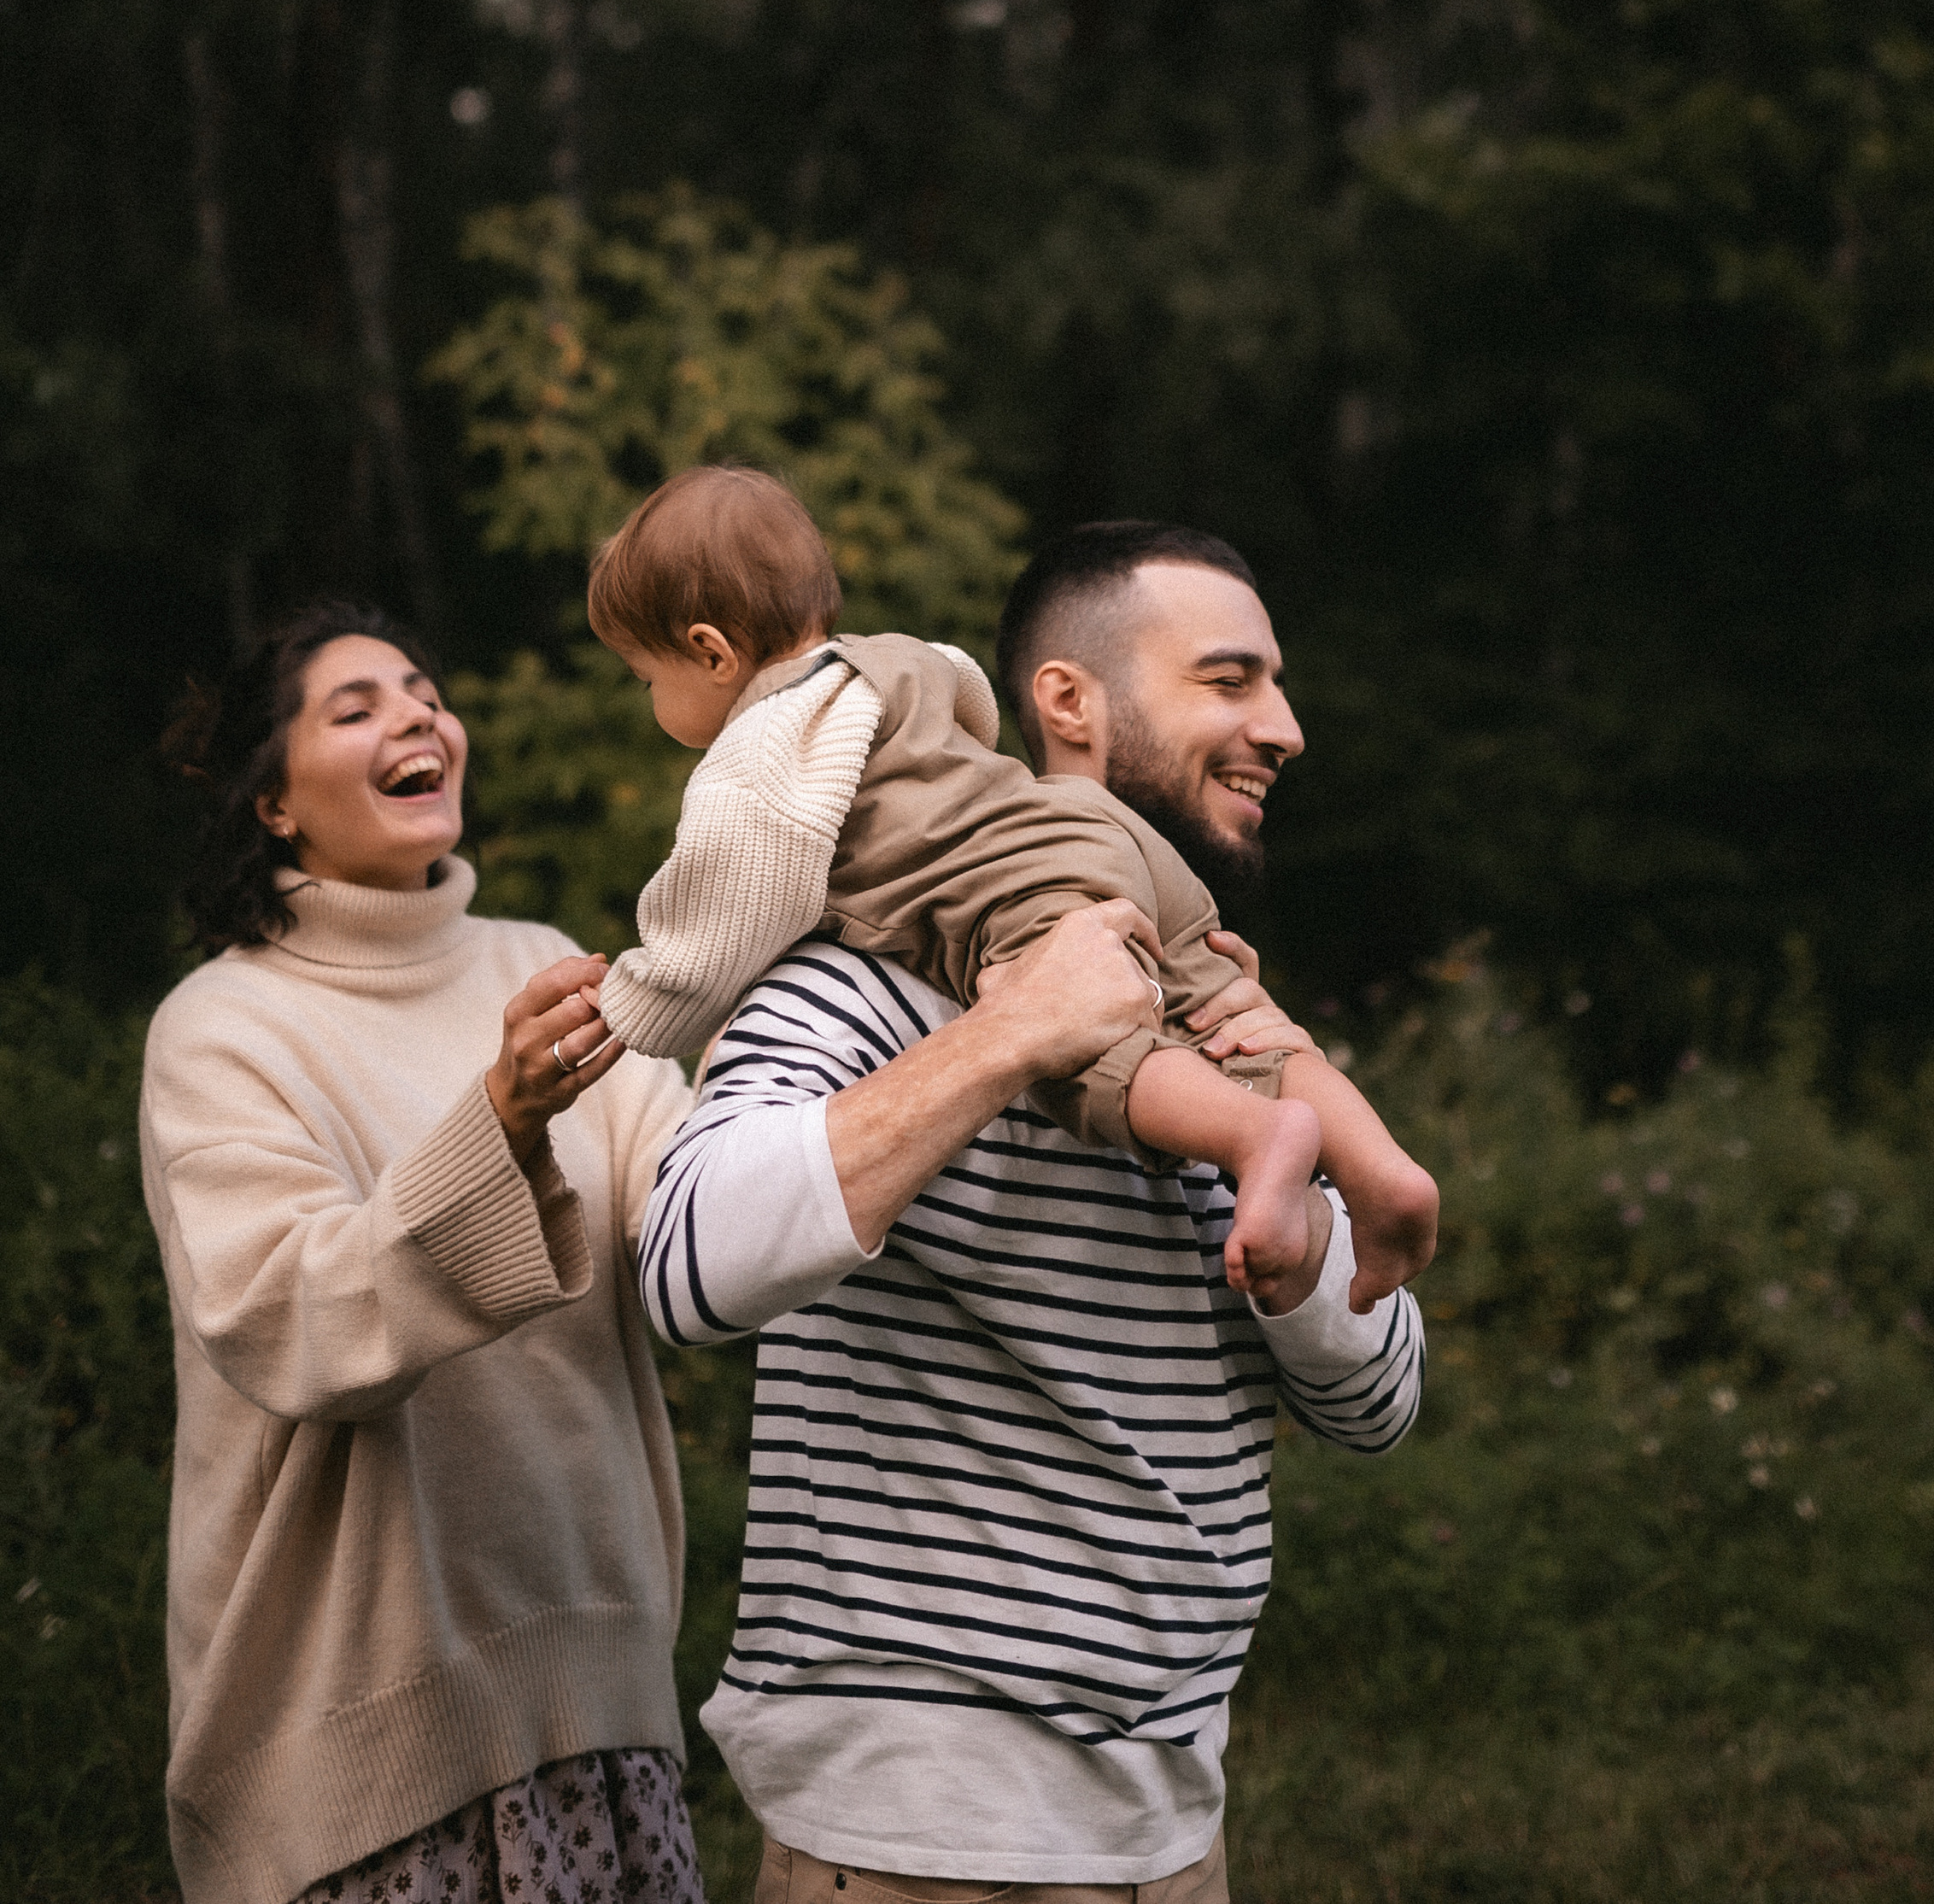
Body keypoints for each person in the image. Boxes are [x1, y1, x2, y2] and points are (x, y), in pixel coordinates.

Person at [641, 523, 1427, 1901]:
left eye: (1279, 686)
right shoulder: (866, 979)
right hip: (908, 1837)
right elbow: (685, 1266)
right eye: (1231, 681)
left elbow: (1385, 1398)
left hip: (1175, 1833)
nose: (1285, 727)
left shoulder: (1221, 1015)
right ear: (1069, 701)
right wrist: (1006, 1040)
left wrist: (1300, 1265)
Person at [140, 599, 700, 1904]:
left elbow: (698, 1219)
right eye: (357, 706)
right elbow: (296, 1317)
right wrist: (497, 1120)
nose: (417, 716)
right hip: (362, 1755)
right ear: (274, 800)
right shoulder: (223, 1026)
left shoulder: (546, 965)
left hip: (604, 1706)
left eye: (424, 691)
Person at [589, 468, 1438, 1308]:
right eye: (1226, 679)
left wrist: (642, 1011)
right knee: (1239, 1020)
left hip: (1029, 883)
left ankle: (1260, 1136)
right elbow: (972, 706)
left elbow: (733, 900)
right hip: (1091, 831)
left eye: (645, 677)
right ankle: (1381, 1168)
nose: (653, 700)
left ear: (709, 650)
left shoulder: (759, 742)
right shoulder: (896, 659)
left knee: (1095, 1047)